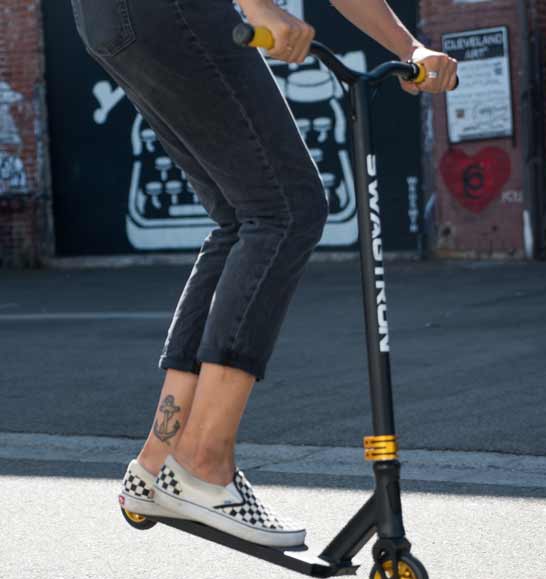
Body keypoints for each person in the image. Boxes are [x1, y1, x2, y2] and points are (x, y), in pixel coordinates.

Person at [71, 0, 457, 548]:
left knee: (240, 216)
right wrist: (257, 6)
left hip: (113, 19)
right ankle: (203, 464)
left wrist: (408, 48)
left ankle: (157, 463)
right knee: (285, 209)